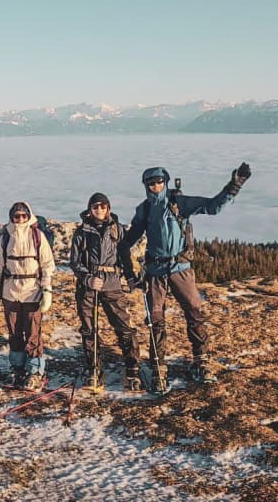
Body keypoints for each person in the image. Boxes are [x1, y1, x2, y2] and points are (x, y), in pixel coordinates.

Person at [119, 163, 251, 389]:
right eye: (150, 183)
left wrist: (234, 186)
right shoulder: (145, 210)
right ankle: (158, 366)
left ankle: (201, 360)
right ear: (145, 186)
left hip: (180, 268)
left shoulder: (179, 203)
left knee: (194, 313)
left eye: (159, 182)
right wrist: (130, 274)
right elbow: (126, 243)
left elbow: (212, 207)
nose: (155, 186)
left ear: (166, 182)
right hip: (155, 272)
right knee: (155, 321)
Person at [70, 192, 141, 390]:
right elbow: (75, 262)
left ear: (108, 208)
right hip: (88, 286)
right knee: (89, 329)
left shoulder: (116, 230)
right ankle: (93, 370)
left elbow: (125, 257)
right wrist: (87, 278)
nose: (99, 210)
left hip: (112, 284)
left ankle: (132, 367)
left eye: (102, 206)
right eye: (95, 206)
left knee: (123, 326)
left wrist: (130, 277)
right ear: (90, 209)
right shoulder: (81, 231)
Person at [0, 201, 55, 390]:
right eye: (16, 216)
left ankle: (35, 371)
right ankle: (17, 368)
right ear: (11, 217)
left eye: (23, 216)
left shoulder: (37, 236)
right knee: (14, 332)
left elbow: (47, 265)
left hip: (32, 291)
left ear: (29, 216)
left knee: (33, 333)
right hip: (10, 292)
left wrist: (47, 290)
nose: (20, 219)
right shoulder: (4, 237)